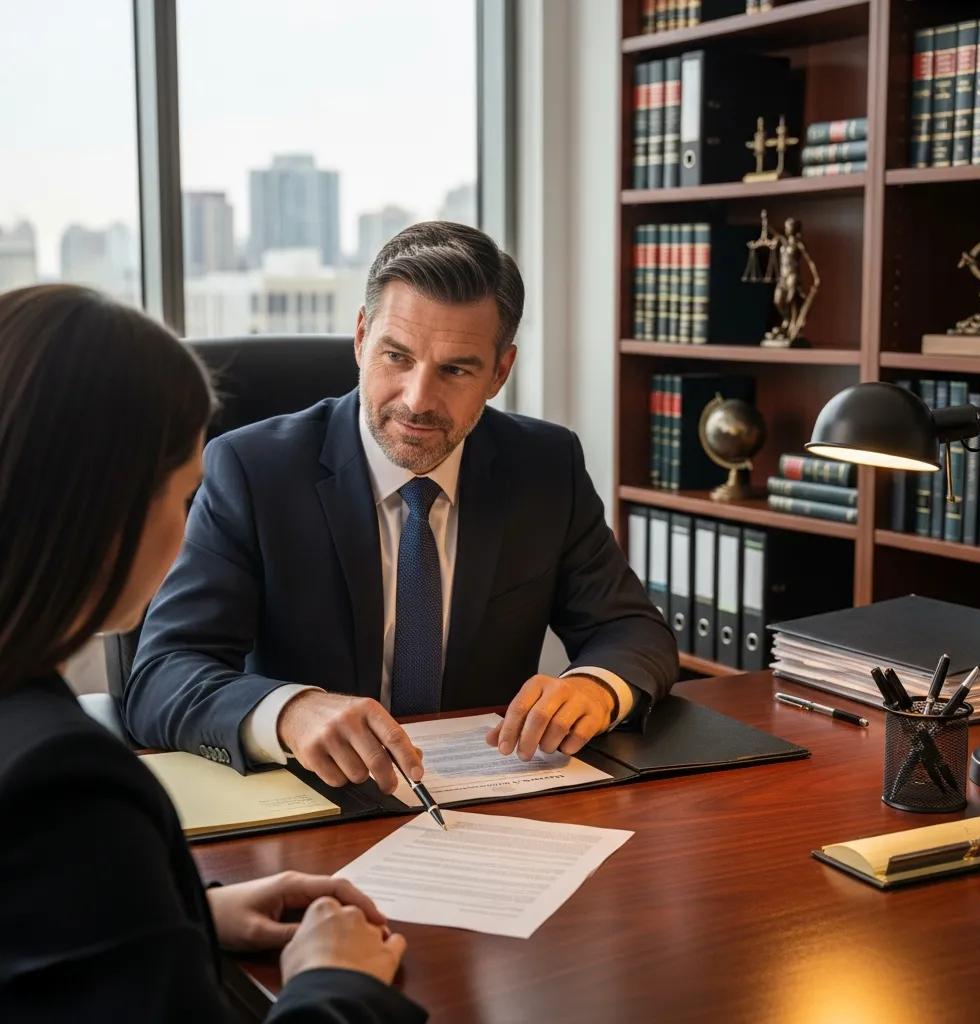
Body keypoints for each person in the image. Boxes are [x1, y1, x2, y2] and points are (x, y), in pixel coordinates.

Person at [123, 221, 677, 794]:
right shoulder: (252, 470)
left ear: (500, 372)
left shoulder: (543, 465)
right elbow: (164, 675)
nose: (417, 399)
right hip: (312, 805)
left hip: (485, 800)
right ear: (362, 338)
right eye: (397, 356)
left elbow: (632, 628)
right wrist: (291, 711)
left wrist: (595, 686)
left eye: (456, 369)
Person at [0, 284, 425, 1022]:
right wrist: (335, 981)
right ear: (101, 509)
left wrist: (190, 911)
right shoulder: (62, 787)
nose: (190, 527)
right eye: (184, 496)